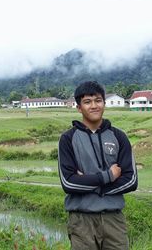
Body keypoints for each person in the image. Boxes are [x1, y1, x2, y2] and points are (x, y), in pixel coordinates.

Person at [58, 81, 138, 250]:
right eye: (87, 102)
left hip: (113, 220)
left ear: (104, 103)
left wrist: (88, 183)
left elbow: (130, 180)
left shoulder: (119, 136)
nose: (94, 106)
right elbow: (69, 183)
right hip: (81, 221)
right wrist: (107, 177)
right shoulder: (67, 139)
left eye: (98, 100)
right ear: (79, 108)